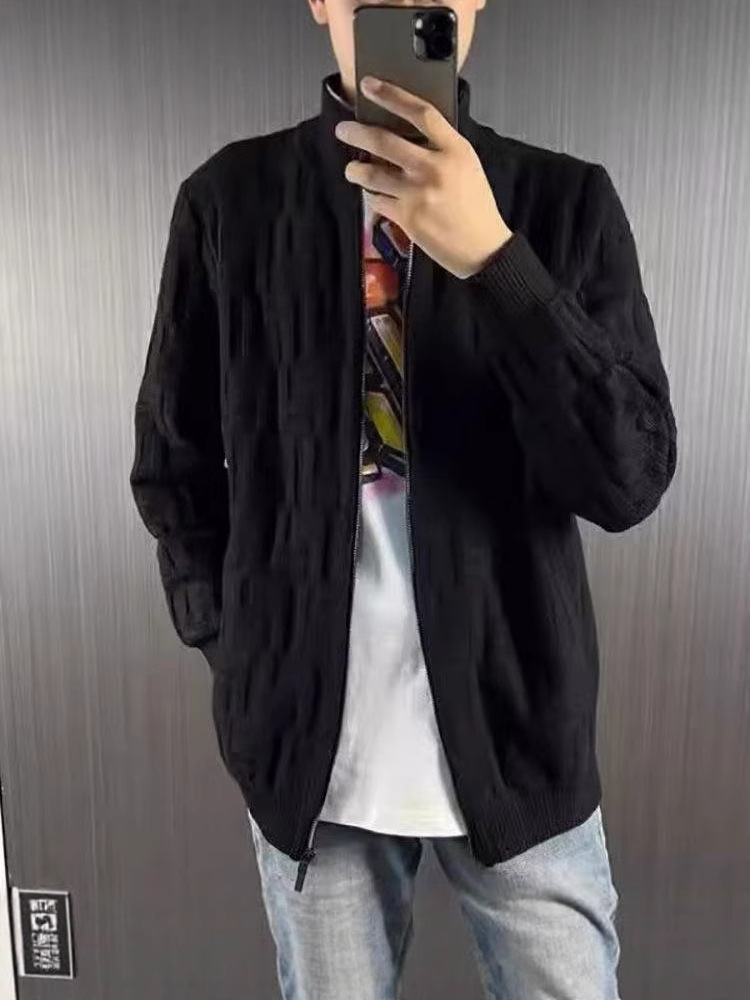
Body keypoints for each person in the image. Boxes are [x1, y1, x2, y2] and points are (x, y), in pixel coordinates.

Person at [129, 1, 677, 996]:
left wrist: (498, 263)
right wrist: (238, 647)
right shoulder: (229, 203)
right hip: (310, 765)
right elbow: (173, 464)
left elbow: (628, 477)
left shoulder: (562, 203)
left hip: (519, 748)